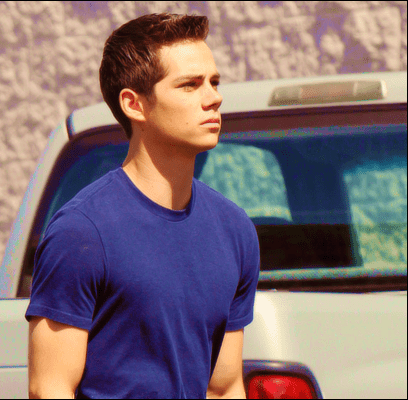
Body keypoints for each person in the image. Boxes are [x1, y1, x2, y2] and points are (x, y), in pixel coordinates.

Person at [26, 13, 260, 399]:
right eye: (190, 85)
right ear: (134, 105)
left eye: (214, 82)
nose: (213, 97)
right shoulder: (82, 232)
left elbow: (223, 387)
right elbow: (49, 388)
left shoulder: (234, 230)